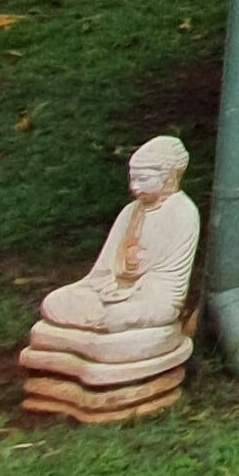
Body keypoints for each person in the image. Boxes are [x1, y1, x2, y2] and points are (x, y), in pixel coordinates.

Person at [38, 135, 199, 339]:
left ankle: (105, 322)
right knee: (54, 302)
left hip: (150, 296)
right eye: (133, 178)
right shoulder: (130, 211)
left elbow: (169, 283)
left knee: (118, 317)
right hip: (112, 289)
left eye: (143, 179)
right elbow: (104, 269)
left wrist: (132, 294)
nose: (134, 187)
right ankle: (100, 321)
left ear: (168, 177)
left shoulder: (182, 212)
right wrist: (108, 287)